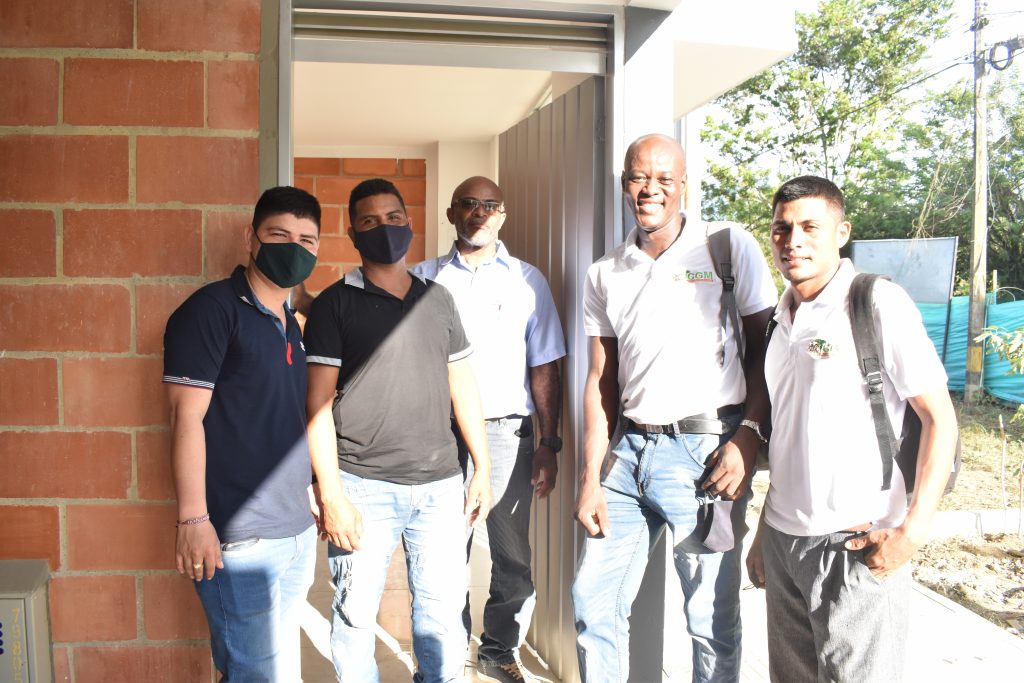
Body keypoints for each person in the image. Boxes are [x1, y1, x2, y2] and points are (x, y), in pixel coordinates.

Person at [571, 133, 777, 682]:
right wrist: (590, 478)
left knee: (710, 619)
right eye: (640, 177)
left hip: (705, 455)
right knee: (593, 604)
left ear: (684, 184)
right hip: (627, 455)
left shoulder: (726, 247)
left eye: (664, 178)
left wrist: (748, 437)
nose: (651, 189)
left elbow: (767, 352)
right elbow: (600, 380)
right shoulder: (605, 272)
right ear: (624, 184)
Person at [745, 175, 958, 682]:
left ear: (842, 232)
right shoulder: (779, 318)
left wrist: (913, 531)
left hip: (856, 544)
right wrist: (764, 533)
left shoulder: (875, 303)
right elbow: (792, 433)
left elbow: (940, 418)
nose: (793, 240)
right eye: (781, 228)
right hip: (784, 541)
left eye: (809, 227)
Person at [304, 178, 493, 683]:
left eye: (392, 218)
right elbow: (315, 407)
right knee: (354, 617)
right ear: (352, 234)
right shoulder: (333, 304)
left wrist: (482, 467)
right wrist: (331, 494)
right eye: (369, 221)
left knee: (442, 618)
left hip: (440, 487)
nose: (383, 228)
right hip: (362, 486)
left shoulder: (438, 299)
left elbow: (462, 383)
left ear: (408, 223)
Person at [163, 185, 321, 681]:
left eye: (306, 240)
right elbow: (185, 418)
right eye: (279, 235)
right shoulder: (212, 311)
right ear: (250, 237)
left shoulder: (289, 320)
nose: (294, 248)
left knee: (281, 672)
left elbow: (282, 417)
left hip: (295, 530)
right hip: (241, 538)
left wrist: (310, 487)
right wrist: (193, 520)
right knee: (254, 673)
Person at [412, 176, 566, 682]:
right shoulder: (422, 279)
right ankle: (446, 655)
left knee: (512, 553)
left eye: (490, 205)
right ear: (451, 213)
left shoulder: (527, 281)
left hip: (507, 435)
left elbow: (545, 365)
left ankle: (499, 650)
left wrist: (548, 443)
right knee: (441, 552)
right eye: (468, 204)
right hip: (438, 434)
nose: (479, 212)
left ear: (503, 215)